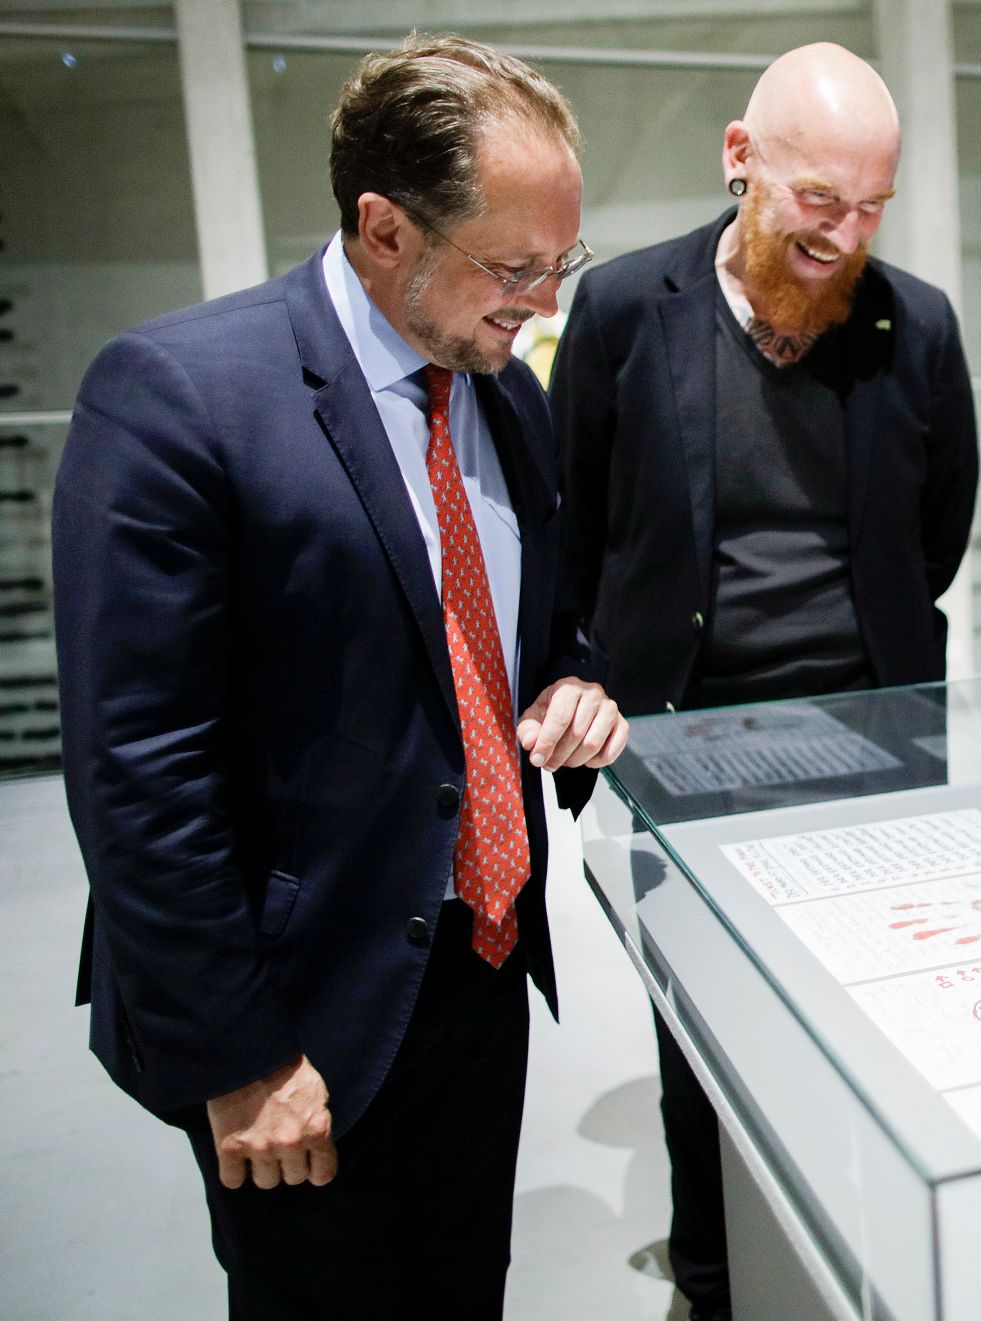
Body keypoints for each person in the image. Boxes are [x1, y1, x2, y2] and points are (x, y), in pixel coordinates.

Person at [53, 34, 628, 1319]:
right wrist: (240, 1058)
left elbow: (532, 627)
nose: (543, 303)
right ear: (382, 229)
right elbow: (137, 769)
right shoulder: (179, 395)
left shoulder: (506, 396)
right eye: (514, 267)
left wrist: (570, 681)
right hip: (298, 1008)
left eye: (562, 262)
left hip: (479, 963)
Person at [549, 41, 978, 1321]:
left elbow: (936, 533)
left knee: (878, 1023)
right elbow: (575, 523)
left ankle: (861, 1260)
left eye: (870, 208)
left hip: (872, 745)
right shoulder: (625, 310)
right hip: (684, 747)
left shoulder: (914, 325)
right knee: (702, 1039)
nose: (842, 236)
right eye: (816, 199)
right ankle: (714, 1281)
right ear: (740, 157)